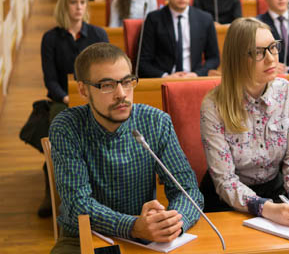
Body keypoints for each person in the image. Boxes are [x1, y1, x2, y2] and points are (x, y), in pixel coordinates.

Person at [49, 43, 203, 253]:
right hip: (83, 237)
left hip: (146, 238)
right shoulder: (67, 127)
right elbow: (78, 204)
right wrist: (133, 226)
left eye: (127, 82)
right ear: (83, 90)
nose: (121, 94)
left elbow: (188, 191)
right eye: (107, 85)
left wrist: (172, 223)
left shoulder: (156, 122)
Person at [199, 17, 289, 226]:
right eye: (258, 52)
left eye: (273, 47)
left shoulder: (288, 92)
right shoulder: (213, 105)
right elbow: (225, 180)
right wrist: (267, 209)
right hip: (228, 203)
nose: (271, 59)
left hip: (277, 192)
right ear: (237, 59)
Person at [39, 0, 108, 218]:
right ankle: (53, 191)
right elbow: (50, 80)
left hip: (95, 98)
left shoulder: (98, 35)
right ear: (64, 5)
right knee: (60, 125)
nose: (78, 7)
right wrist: (67, 97)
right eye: (73, 2)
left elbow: (107, 72)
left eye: (82, 2)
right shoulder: (50, 38)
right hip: (64, 99)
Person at [139, 0, 220, 78]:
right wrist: (165, 76)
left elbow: (214, 58)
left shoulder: (205, 19)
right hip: (164, 80)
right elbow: (143, 62)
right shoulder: (153, 19)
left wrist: (197, 74)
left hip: (194, 79)